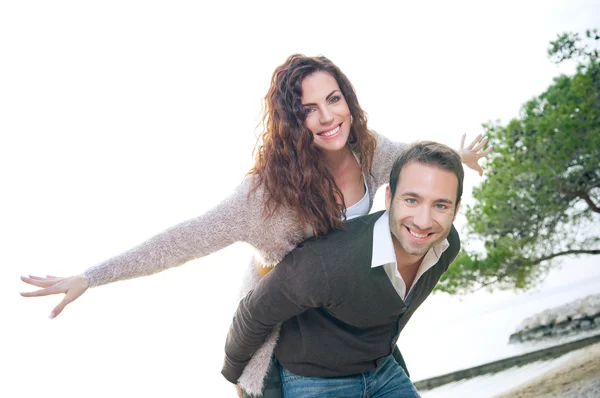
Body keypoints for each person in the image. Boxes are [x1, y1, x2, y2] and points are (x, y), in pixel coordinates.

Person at [20, 54, 491, 397]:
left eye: (334, 98)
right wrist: (92, 276)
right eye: (309, 108)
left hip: (353, 330)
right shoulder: (266, 195)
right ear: (290, 119)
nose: (327, 117)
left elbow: (417, 167)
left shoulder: (369, 148)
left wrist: (459, 156)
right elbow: (186, 238)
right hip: (295, 342)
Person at [223, 141, 463, 397]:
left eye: (440, 205)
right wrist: (239, 380)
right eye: (412, 200)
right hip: (313, 377)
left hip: (380, 369)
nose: (423, 221)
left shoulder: (446, 247)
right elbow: (253, 313)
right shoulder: (327, 261)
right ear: (390, 197)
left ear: (456, 209)